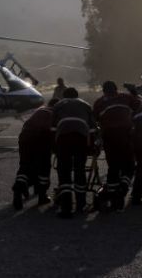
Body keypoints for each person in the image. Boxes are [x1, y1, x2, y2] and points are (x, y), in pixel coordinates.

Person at [92, 80, 142, 211]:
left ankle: (113, 195)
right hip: (125, 135)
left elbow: (94, 120)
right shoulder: (126, 97)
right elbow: (139, 104)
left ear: (103, 91)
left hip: (109, 137)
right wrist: (134, 93)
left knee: (113, 167)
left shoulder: (99, 102)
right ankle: (122, 189)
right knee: (129, 166)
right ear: (116, 89)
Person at [51, 87, 97, 217]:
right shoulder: (86, 105)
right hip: (81, 139)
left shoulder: (58, 105)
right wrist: (91, 147)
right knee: (79, 170)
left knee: (64, 171)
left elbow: (52, 128)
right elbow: (93, 129)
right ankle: (81, 205)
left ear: (64, 96)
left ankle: (66, 207)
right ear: (77, 96)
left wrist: (54, 147)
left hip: (63, 139)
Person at [12, 98, 59, 210]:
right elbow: (54, 132)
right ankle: (42, 196)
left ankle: (18, 189)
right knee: (44, 167)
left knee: (25, 166)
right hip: (42, 139)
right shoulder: (55, 114)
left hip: (25, 138)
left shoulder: (40, 110)